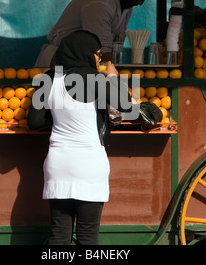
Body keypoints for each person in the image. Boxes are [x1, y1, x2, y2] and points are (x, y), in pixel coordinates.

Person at [28, 30, 134, 245]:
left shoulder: (48, 79)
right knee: (87, 237)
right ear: (85, 52)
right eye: (98, 54)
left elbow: (34, 122)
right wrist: (113, 76)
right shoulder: (95, 80)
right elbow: (126, 106)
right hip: (90, 165)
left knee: (59, 235)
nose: (99, 59)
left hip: (58, 164)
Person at [35, 0, 162, 67]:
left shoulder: (127, 3)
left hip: (81, 64)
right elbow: (104, 52)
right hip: (60, 62)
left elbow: (116, 43)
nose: (140, 3)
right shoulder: (101, 2)